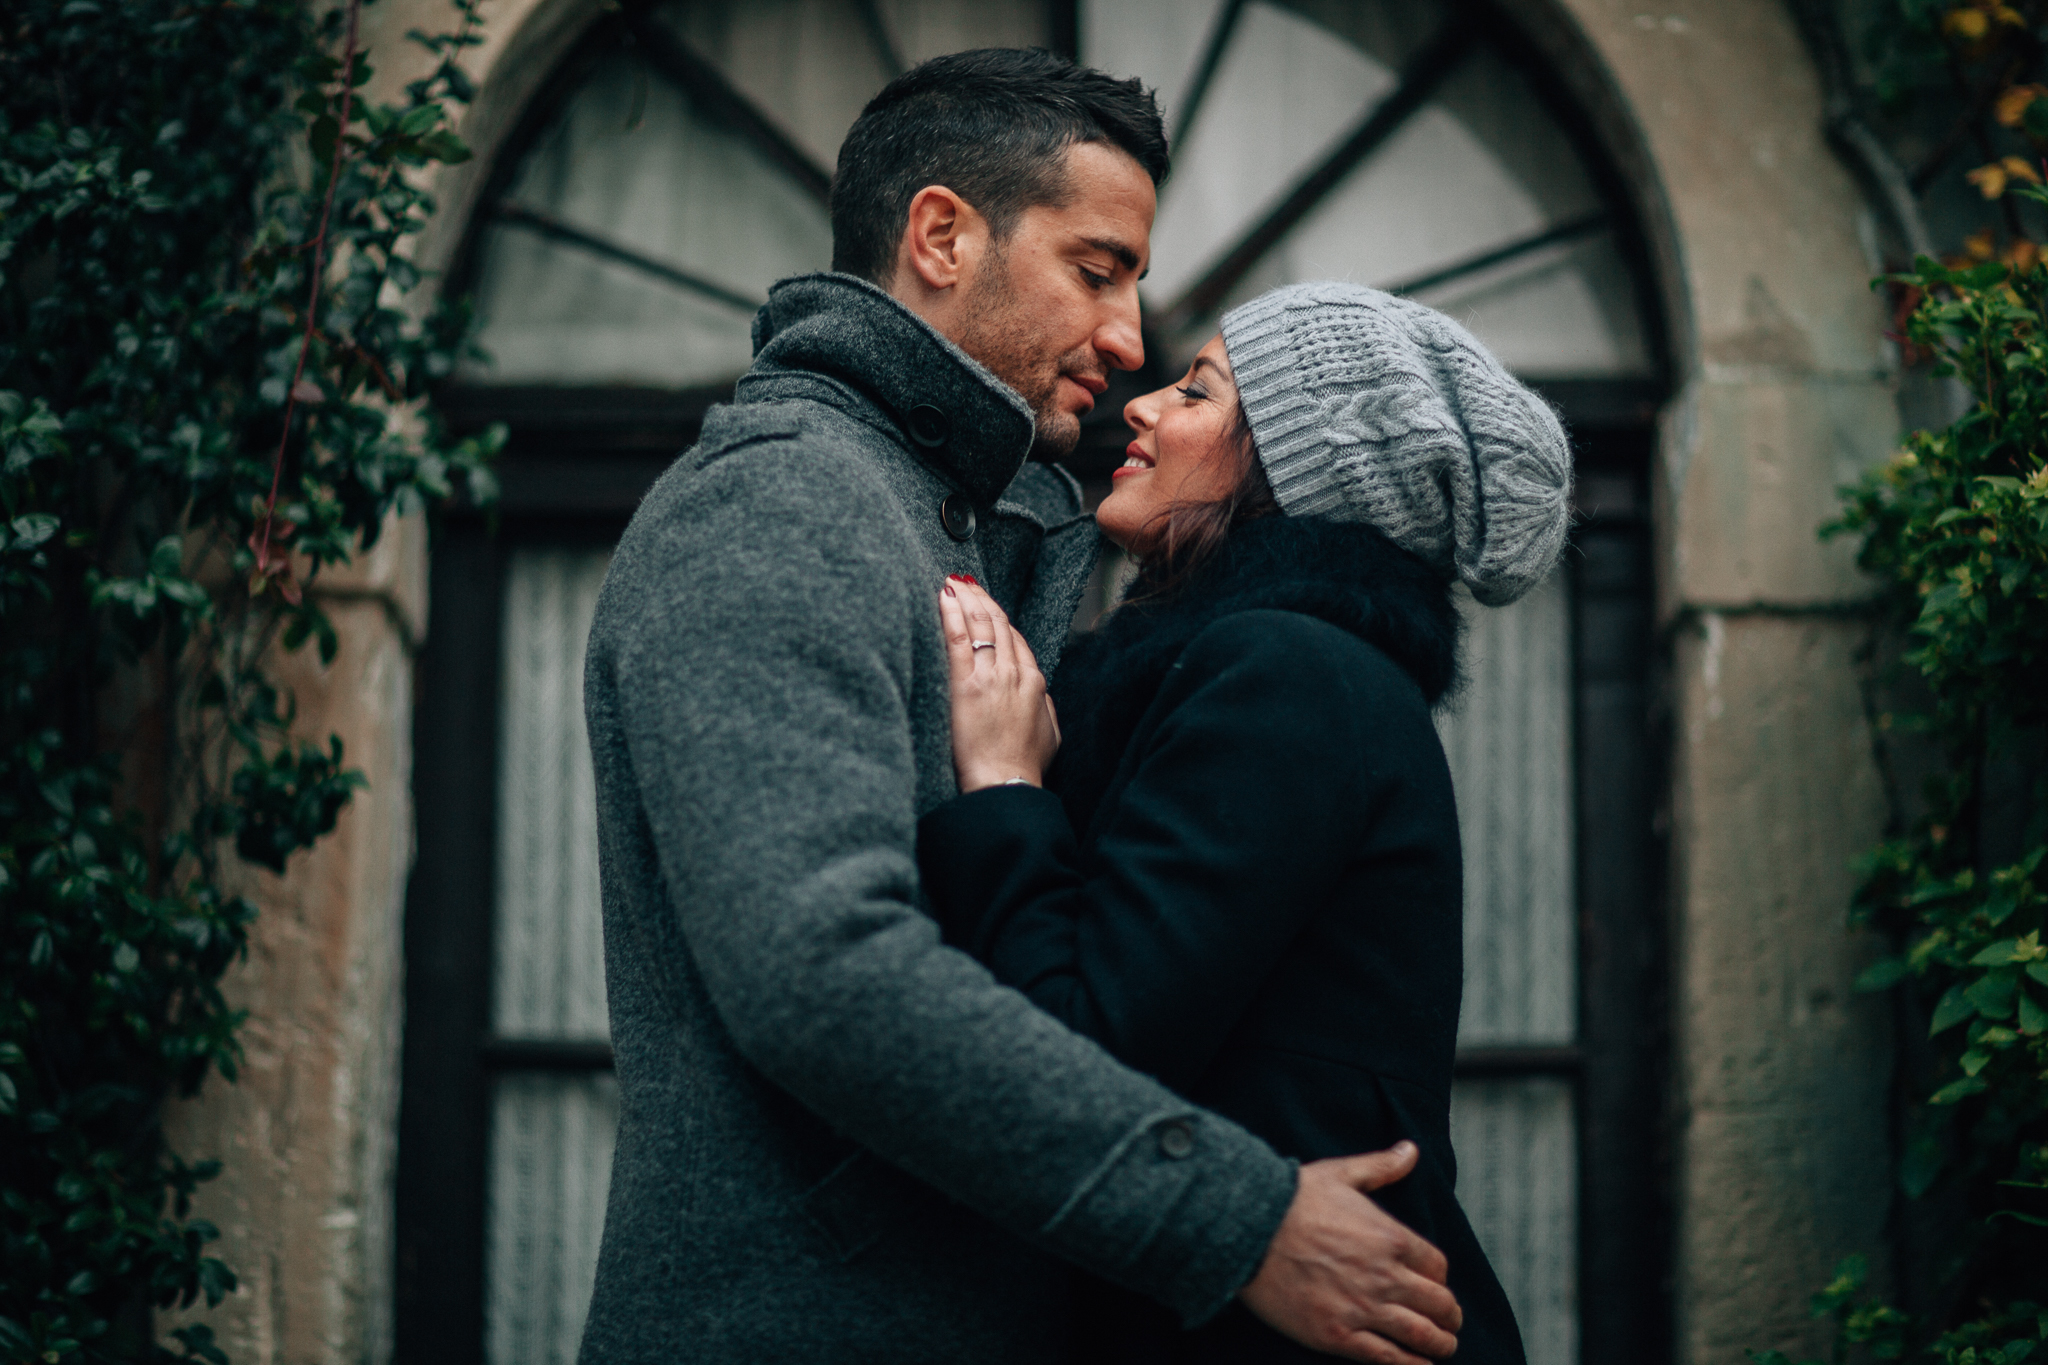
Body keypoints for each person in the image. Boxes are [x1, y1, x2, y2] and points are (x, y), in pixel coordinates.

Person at [578, 52, 1464, 1365]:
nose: (1128, 337)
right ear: (942, 235)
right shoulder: (777, 505)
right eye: (1097, 268)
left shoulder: (985, 528)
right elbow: (828, 973)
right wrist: (1231, 1216)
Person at [918, 280, 1573, 1363]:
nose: (1142, 405)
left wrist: (1000, 786)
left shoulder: (1283, 675)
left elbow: (1080, 1050)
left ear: (1290, 473)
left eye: (1199, 391)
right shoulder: (1267, 669)